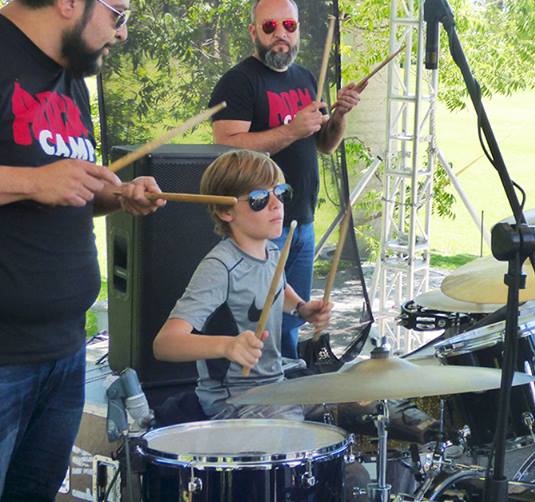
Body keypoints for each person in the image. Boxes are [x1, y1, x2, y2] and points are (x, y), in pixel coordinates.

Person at [0, 0, 164, 498]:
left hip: (65, 350)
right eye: (118, 14)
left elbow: (64, 193)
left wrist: (115, 196)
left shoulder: (68, 75)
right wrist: (32, 181)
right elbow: (40, 182)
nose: (122, 33)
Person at [209, 0, 365, 359]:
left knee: (294, 318)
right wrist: (291, 130)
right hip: (259, 225)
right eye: (270, 26)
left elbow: (325, 144)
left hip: (301, 222)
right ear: (254, 31)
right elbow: (226, 147)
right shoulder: (238, 81)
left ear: (297, 30)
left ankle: (288, 382)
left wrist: (339, 116)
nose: (280, 33)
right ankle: (258, 389)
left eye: (289, 26)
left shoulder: (308, 78)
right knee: (259, 324)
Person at [153, 150, 333, 420]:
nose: (276, 205)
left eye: (280, 193)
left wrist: (302, 308)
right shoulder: (220, 267)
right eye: (260, 199)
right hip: (232, 401)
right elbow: (165, 344)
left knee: (351, 406)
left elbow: (274, 289)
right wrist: (227, 346)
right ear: (225, 211)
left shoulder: (272, 250)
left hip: (275, 386)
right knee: (297, 431)